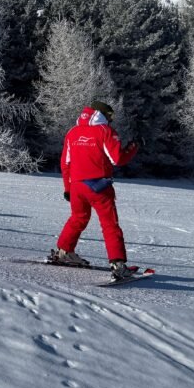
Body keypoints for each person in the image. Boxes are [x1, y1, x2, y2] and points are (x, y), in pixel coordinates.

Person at [49, 100, 139, 280]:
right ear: (102, 115)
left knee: (78, 218)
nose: (111, 120)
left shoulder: (72, 132)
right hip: (98, 186)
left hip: (76, 186)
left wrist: (68, 188)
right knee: (109, 224)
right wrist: (132, 148)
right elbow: (117, 159)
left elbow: (65, 163)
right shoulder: (105, 132)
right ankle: (118, 264)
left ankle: (63, 251)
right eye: (110, 116)